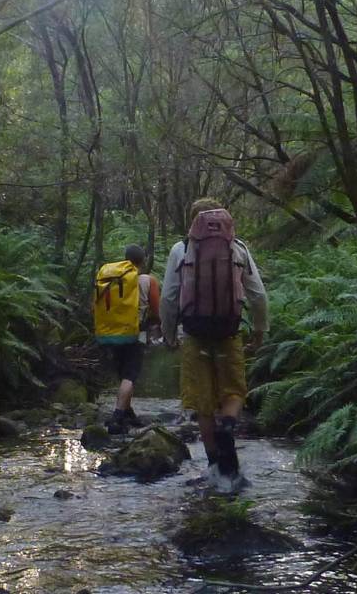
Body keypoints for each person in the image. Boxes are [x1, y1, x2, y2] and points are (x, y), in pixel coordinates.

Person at [160, 198, 267, 494]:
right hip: (229, 333)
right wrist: (259, 330)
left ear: (191, 221)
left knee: (203, 403)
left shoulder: (180, 250)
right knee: (234, 391)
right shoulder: (238, 248)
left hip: (195, 336)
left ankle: (215, 470)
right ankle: (229, 426)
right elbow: (258, 294)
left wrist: (168, 334)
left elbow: (169, 297)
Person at [93, 244, 159, 433]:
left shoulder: (112, 279)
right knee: (130, 375)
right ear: (143, 260)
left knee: (122, 372)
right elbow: (156, 311)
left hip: (111, 331)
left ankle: (128, 412)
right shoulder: (148, 281)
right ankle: (118, 415)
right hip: (134, 334)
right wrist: (160, 327)